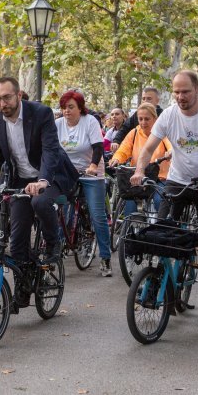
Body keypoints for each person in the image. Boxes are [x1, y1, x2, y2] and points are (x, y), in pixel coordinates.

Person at [130, 69, 198, 322]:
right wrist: (140, 170)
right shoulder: (169, 115)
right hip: (178, 179)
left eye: (185, 91)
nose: (180, 96)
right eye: (176, 92)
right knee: (161, 232)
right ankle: (154, 283)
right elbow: (149, 147)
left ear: (197, 90)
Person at [0, 77, 79, 307]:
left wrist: (42, 180)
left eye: (7, 97)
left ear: (19, 95)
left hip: (50, 176)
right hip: (21, 181)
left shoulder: (40, 113)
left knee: (40, 203)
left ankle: (53, 243)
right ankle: (24, 283)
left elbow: (50, 151)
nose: (3, 103)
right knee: (17, 241)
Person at [55, 90, 113, 276]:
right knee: (60, 210)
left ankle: (105, 258)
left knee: (97, 215)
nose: (66, 111)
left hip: (90, 173)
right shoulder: (57, 125)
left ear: (80, 108)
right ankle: (56, 249)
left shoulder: (90, 122)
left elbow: (97, 148)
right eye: (64, 107)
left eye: (71, 107)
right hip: (68, 173)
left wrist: (94, 165)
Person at [108, 103, 171, 214]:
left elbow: (170, 145)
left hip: (160, 177)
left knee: (159, 200)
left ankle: (159, 228)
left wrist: (170, 152)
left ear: (155, 119)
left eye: (147, 119)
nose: (143, 122)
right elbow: (124, 149)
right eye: (140, 119)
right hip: (139, 176)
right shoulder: (134, 132)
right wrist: (116, 158)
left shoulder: (162, 133)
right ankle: (129, 228)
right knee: (130, 201)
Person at [110, 87, 163, 151]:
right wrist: (116, 141)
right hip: (138, 151)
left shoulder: (163, 116)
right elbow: (125, 128)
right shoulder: (136, 114)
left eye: (149, 99)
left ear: (157, 101)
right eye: (143, 99)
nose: (145, 101)